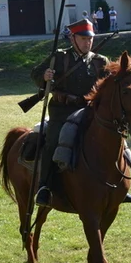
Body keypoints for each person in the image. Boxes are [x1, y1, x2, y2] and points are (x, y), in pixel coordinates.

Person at [30, 18, 110, 207]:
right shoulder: (59, 57)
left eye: (90, 39)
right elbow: (35, 73)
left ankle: (118, 185)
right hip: (62, 110)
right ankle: (44, 187)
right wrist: (44, 76)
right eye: (83, 38)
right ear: (73, 38)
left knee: (112, 136)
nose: (87, 42)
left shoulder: (101, 61)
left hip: (89, 111)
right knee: (53, 140)